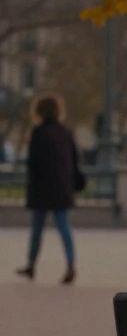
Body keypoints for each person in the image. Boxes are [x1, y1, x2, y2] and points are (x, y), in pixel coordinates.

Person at [17, 94, 81, 284]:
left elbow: (33, 164)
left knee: (37, 229)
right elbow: (74, 162)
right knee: (64, 228)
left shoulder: (38, 133)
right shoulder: (66, 133)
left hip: (42, 189)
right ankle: (70, 264)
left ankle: (31, 265)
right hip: (61, 188)